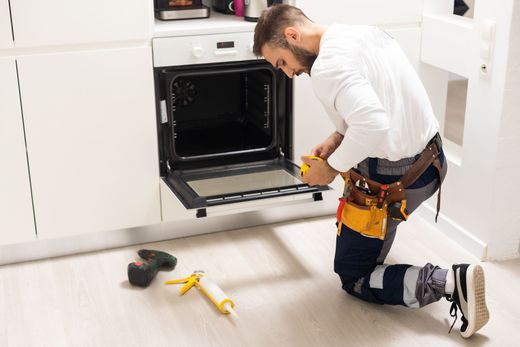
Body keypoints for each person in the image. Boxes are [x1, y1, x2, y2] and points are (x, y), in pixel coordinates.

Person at [253, 4, 489, 338]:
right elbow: (381, 102)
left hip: (399, 178)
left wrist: (331, 169)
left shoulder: (327, 70)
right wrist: (338, 138)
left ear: (292, 35)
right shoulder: (359, 33)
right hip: (433, 158)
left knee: (353, 275)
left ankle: (450, 281)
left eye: (282, 62)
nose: (288, 73)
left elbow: (374, 124)